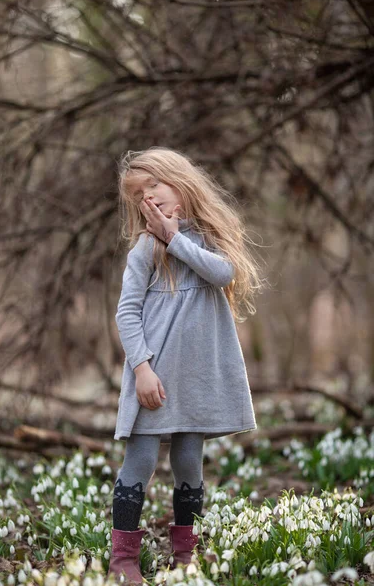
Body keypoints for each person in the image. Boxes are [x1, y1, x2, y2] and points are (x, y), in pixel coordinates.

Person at [108, 147, 264, 584]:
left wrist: (176, 239)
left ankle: (185, 554)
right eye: (139, 194)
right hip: (153, 379)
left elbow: (224, 273)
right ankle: (123, 560)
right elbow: (127, 312)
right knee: (139, 461)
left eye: (154, 185)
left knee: (189, 462)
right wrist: (140, 368)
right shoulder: (144, 249)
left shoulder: (208, 239)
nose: (148, 199)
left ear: (181, 181)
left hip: (195, 380)